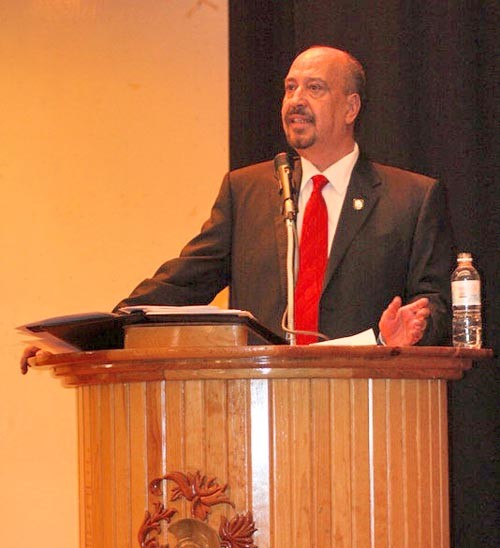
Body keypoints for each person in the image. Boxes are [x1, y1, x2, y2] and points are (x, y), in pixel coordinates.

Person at [21, 46, 453, 373]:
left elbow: (437, 305)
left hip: (369, 396)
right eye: (290, 87)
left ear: (351, 108)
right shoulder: (248, 190)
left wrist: (413, 329)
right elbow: (181, 285)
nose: (296, 100)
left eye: (314, 88)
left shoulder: (410, 198)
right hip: (258, 397)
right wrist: (85, 340)